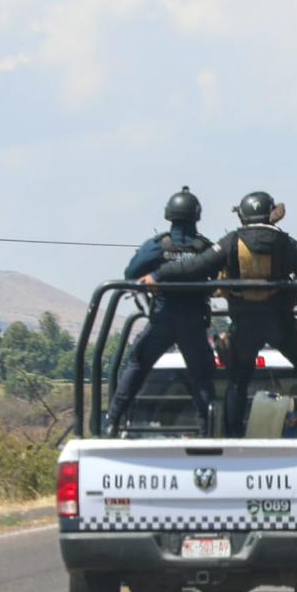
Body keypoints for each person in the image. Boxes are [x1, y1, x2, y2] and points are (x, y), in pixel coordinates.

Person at [143, 191, 297, 437]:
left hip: (245, 324)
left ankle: (233, 435)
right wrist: (287, 286)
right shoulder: (285, 242)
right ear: (270, 213)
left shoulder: (231, 241)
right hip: (281, 323)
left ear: (243, 215)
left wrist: (160, 275)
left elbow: (196, 266)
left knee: (238, 381)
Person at [106, 186, 217, 435]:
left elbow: (131, 273)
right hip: (193, 321)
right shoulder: (205, 248)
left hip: (162, 320)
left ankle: (112, 420)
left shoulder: (157, 246)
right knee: (201, 376)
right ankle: (207, 430)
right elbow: (217, 276)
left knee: (137, 366)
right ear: (196, 216)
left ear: (169, 215)